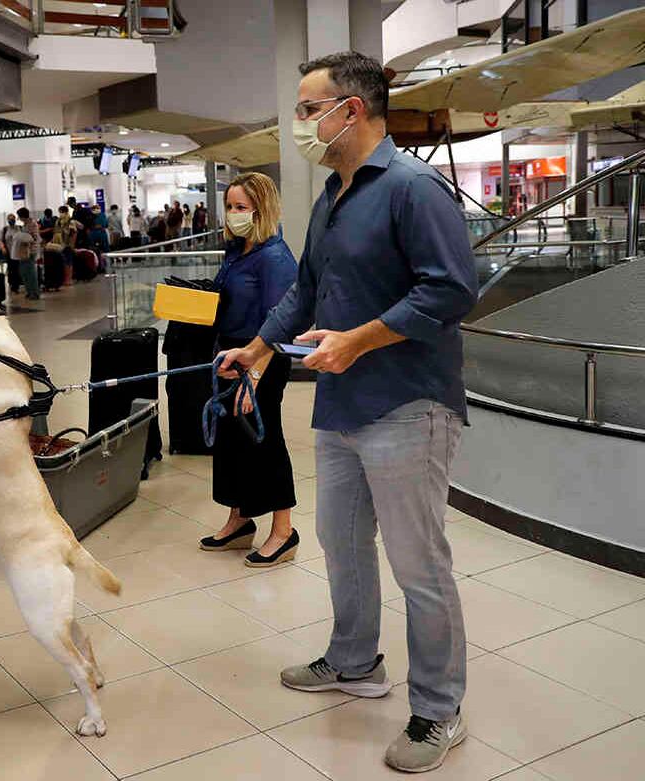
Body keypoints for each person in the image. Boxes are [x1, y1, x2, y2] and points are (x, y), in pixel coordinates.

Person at [218, 51, 477, 774]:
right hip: (339, 408)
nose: (300, 122)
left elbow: (452, 290)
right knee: (340, 539)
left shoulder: (413, 189)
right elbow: (305, 293)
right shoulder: (332, 196)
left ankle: (439, 706)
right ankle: (355, 658)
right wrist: (258, 349)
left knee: (417, 562)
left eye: (307, 109)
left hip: (406, 403)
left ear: (349, 110)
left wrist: (359, 340)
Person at [198, 173, 298, 567]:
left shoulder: (275, 257)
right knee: (231, 443)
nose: (234, 214)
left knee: (264, 441)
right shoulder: (236, 251)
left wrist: (254, 377)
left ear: (261, 209)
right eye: (230, 207)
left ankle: (284, 531)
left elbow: (280, 321)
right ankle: (239, 521)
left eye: (241, 207)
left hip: (262, 363)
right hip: (230, 359)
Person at [16, 207, 41, 300]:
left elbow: (34, 237)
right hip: (23, 251)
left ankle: (34, 292)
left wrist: (24, 238)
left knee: (31, 273)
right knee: (24, 272)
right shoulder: (25, 225)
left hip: (30, 251)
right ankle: (29, 291)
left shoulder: (32, 224)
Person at [0, 214, 22, 293]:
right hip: (8, 252)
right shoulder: (4, 229)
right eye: (10, 219)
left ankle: (16, 285)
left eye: (13, 219)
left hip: (18, 252)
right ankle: (12, 284)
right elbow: (0, 240)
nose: (12, 221)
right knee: (11, 269)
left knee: (17, 268)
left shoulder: (19, 228)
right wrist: (3, 248)